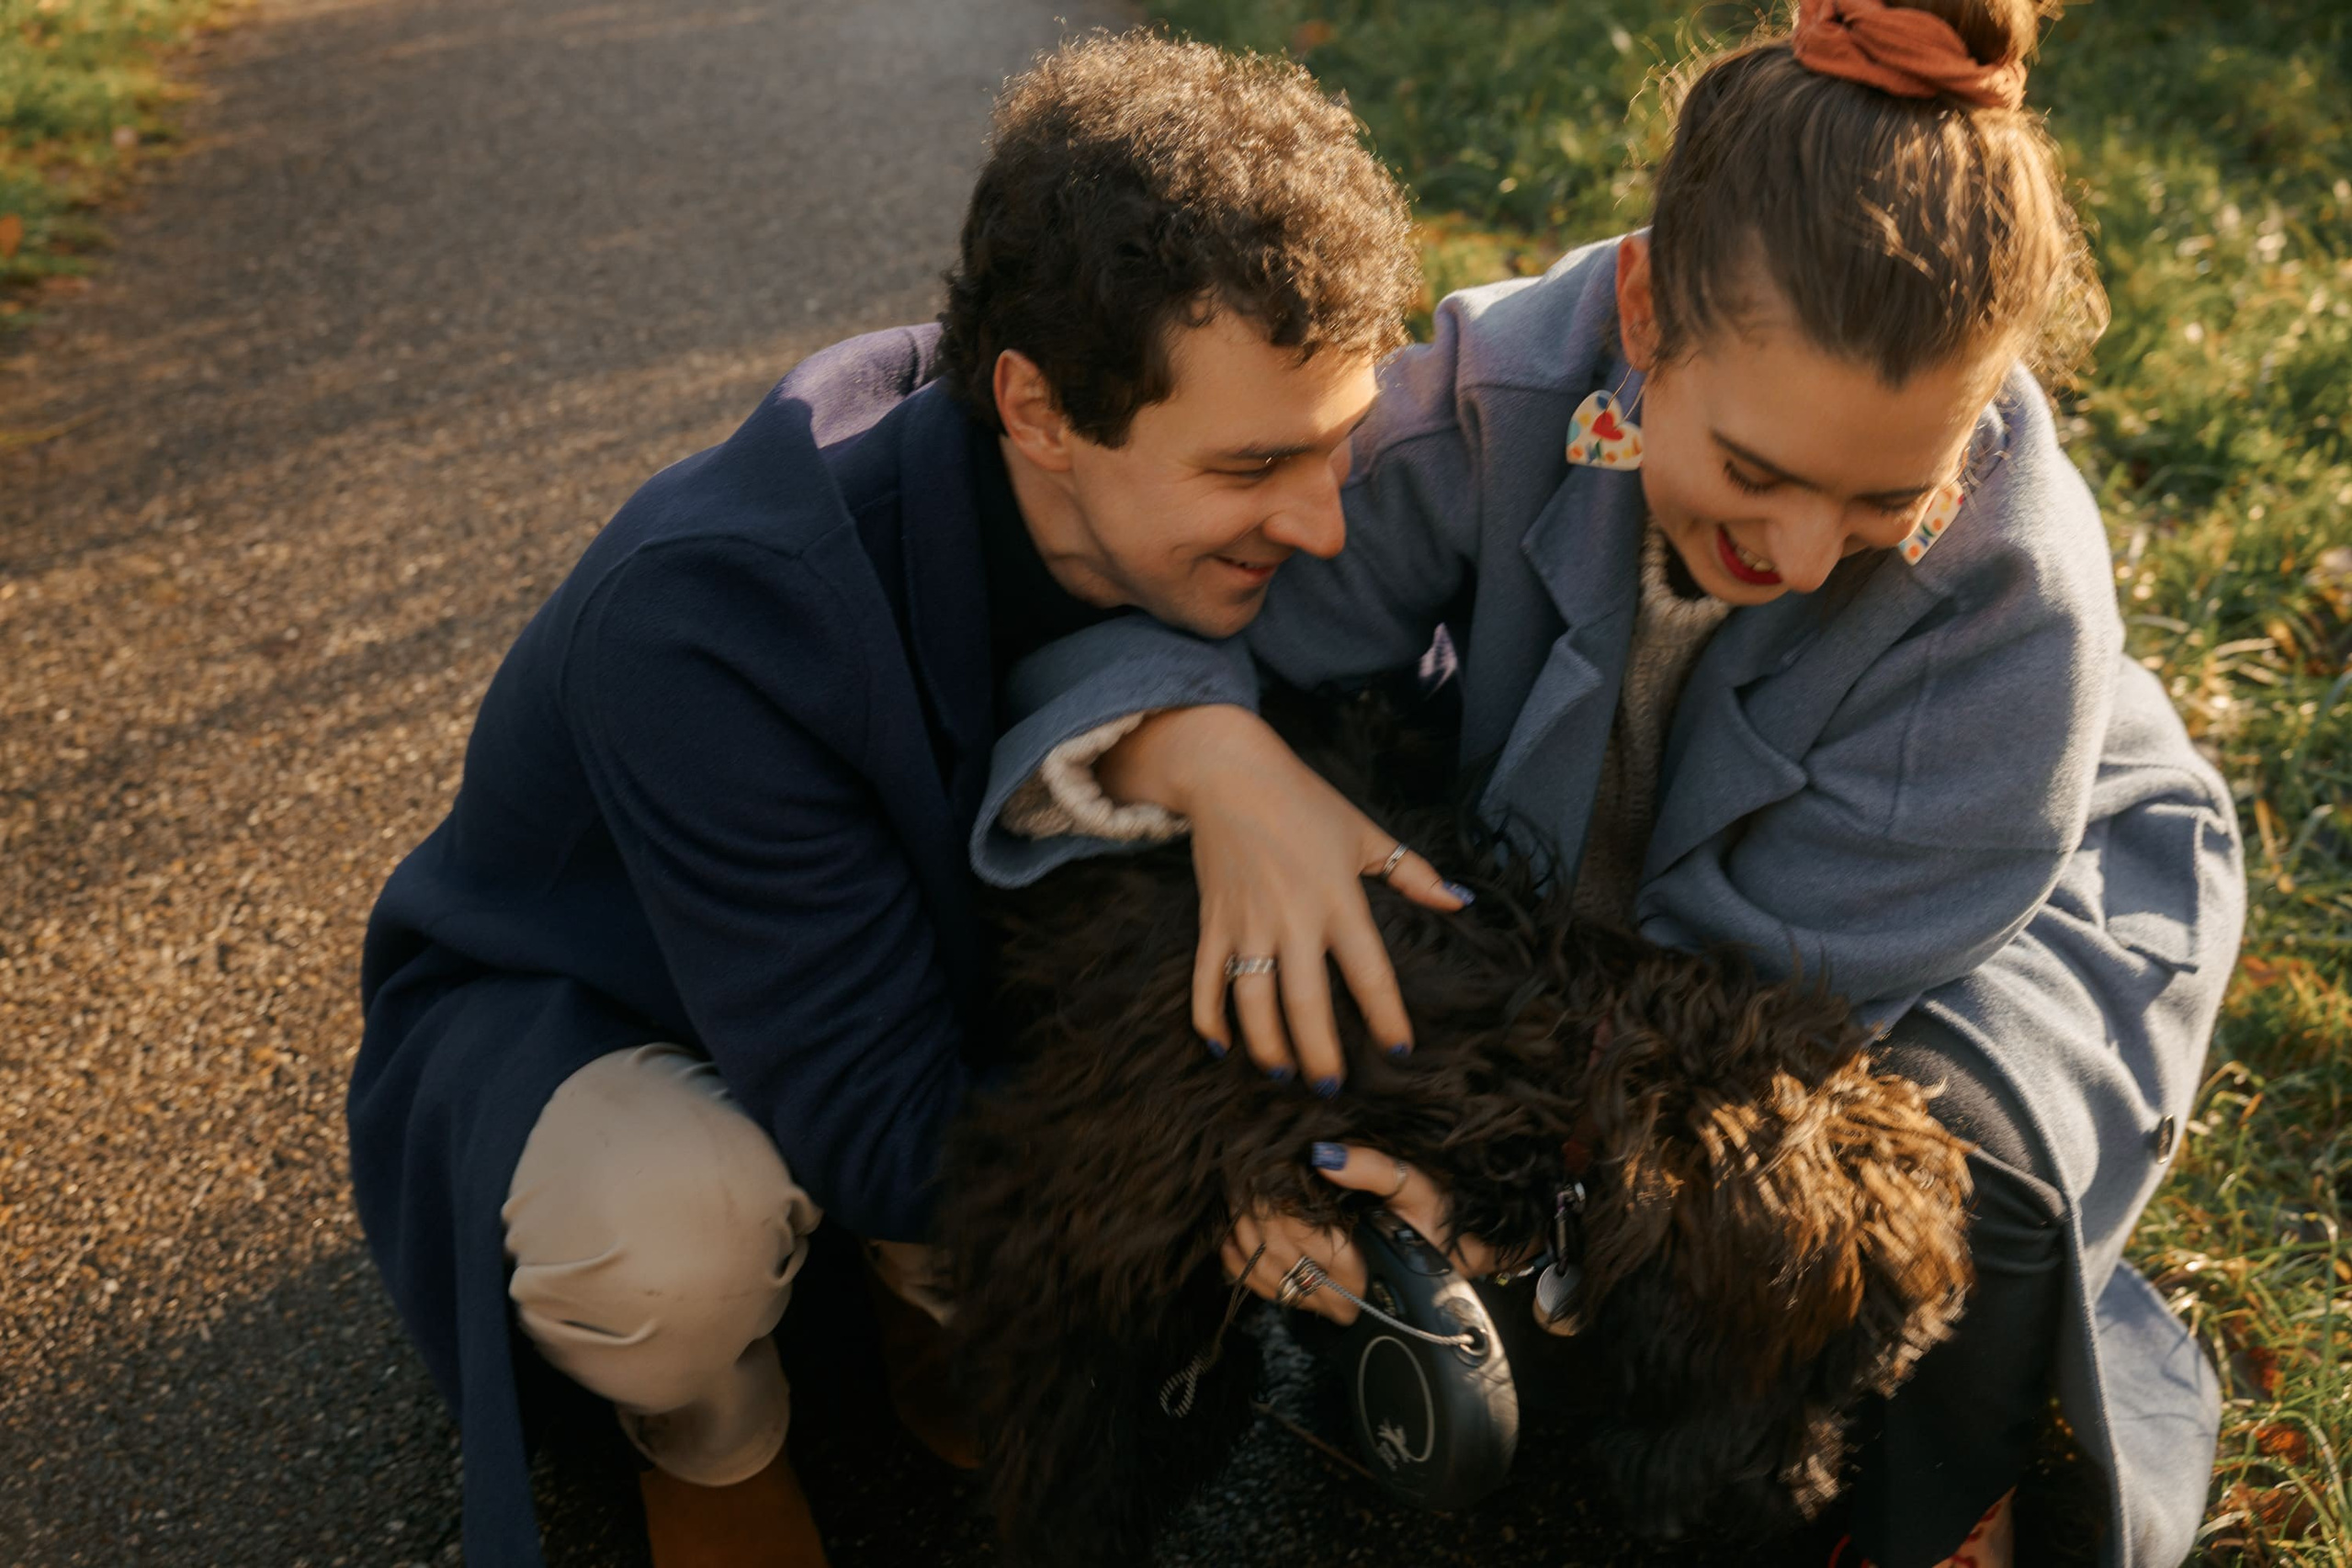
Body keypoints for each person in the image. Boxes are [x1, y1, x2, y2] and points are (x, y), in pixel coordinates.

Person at [974, 3, 2245, 1567]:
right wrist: (1210, 753)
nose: (1789, 555)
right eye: (1756, 471)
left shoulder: (2011, 608)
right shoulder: (1505, 387)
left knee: (1875, 1242)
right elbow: (1190, 618)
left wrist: (1502, 1188)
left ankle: (1982, 1454)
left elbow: (1735, 1033)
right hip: (1597, 931)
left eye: (1882, 500)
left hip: (1994, 947)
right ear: (1643, 314)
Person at [345, 32, 1423, 1568]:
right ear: (1037, 410)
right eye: (1255, 466)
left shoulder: (1176, 489)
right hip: (598, 1012)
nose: (1324, 523)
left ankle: (926, 1300)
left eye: (1339, 446)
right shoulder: (708, 618)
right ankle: (706, 1443)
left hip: (889, 977)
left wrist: (1220, 752)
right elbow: (874, 1120)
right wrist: (1219, 1174)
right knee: (680, 1239)